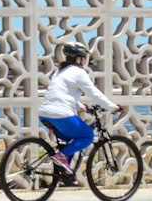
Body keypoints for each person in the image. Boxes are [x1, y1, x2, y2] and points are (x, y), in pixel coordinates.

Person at [40, 41, 122, 178]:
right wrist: (112, 107)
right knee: (87, 136)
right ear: (80, 58)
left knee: (72, 140)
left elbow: (61, 93)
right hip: (61, 114)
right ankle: (62, 157)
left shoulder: (59, 71)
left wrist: (80, 106)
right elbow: (93, 93)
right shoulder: (78, 72)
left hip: (44, 114)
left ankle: (64, 174)